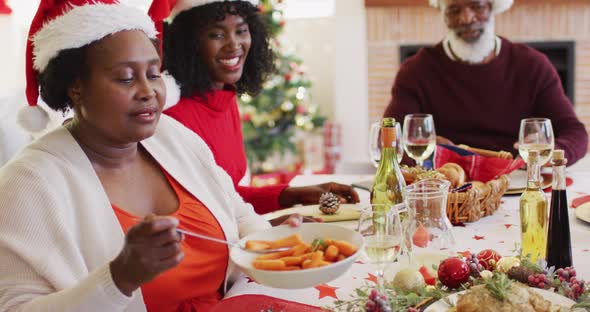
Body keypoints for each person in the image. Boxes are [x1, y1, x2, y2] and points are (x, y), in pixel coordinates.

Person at [0, 0, 302, 311]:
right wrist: (118, 279)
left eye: (154, 73)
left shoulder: (172, 136)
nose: (149, 91)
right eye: (127, 78)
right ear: (76, 87)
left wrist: (270, 243)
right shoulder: (28, 183)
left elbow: (238, 215)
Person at [162, 0, 360, 214]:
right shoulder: (173, 118)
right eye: (217, 35)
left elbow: (231, 196)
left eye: (241, 31)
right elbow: (207, 209)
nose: (234, 44)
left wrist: (297, 194)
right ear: (189, 42)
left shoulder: (224, 99)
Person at [383, 0, 588, 166]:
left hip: (515, 180)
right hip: (448, 184)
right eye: (454, 10)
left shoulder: (533, 64)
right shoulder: (416, 70)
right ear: (443, 14)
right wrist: (431, 157)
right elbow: (390, 140)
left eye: (477, 6)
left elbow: (575, 133)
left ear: (493, 7)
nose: (466, 18)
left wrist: (550, 154)